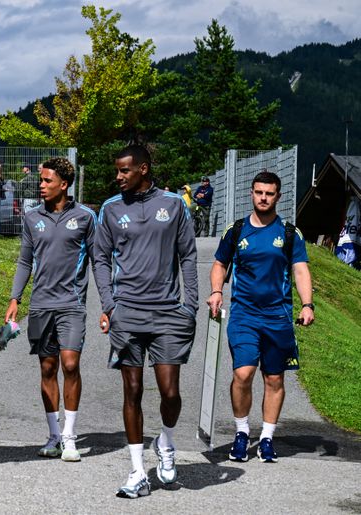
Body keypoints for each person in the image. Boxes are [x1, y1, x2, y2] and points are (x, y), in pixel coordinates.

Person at [92, 145, 198, 498]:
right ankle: (137, 471)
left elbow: (188, 255)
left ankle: (165, 442)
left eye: (124, 171)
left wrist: (191, 305)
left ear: (143, 169)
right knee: (132, 390)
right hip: (128, 314)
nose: (118, 176)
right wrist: (110, 305)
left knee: (170, 392)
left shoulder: (173, 204)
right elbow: (101, 260)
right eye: (117, 171)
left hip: (168, 313)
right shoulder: (109, 209)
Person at [207, 170, 314, 463]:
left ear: (278, 196)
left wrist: (308, 305)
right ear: (252, 194)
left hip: (278, 317)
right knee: (243, 373)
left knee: (274, 379)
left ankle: (266, 438)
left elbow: (301, 269)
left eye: (269, 193)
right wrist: (217, 291)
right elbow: (219, 264)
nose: (263, 198)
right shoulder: (237, 230)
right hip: (244, 314)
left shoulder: (290, 233)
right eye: (258, 192)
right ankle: (242, 433)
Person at [5, 157, 96, 462]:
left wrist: (111, 302)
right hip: (41, 305)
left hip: (72, 304)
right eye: (41, 180)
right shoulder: (32, 218)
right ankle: (53, 435)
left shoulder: (85, 217)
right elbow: (24, 261)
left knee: (70, 364)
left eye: (46, 181)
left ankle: (69, 437)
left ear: (64, 184)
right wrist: (15, 298)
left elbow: (100, 260)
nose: (40, 185)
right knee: (48, 368)